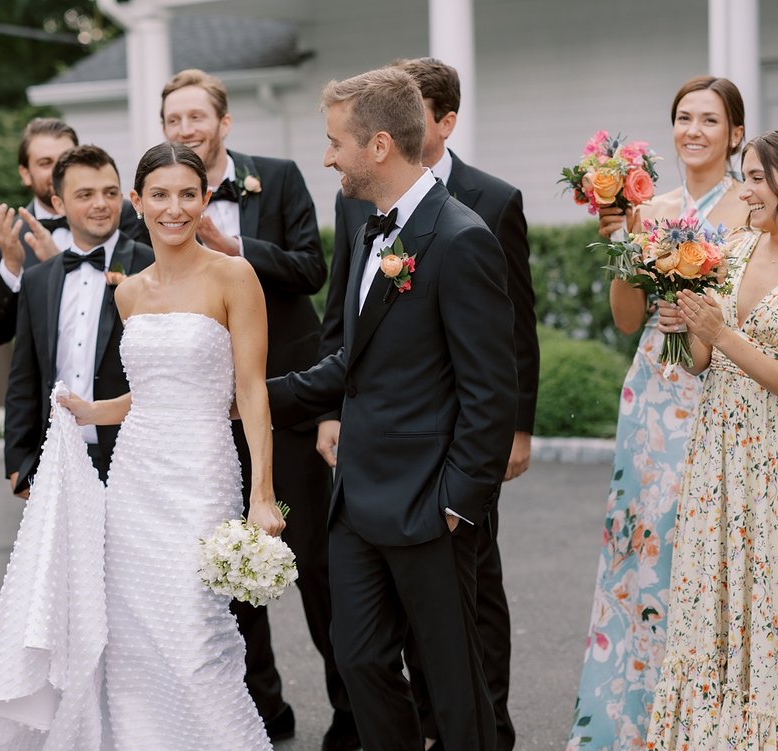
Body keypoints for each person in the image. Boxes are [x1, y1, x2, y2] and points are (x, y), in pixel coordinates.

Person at [0, 141, 287, 749]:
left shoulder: (234, 276)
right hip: (135, 476)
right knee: (133, 634)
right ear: (139, 202)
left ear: (204, 200)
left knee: (197, 631)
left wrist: (263, 493)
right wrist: (93, 411)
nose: (175, 209)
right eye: (161, 195)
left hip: (202, 472)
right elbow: (147, 392)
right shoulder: (130, 291)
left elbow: (250, 392)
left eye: (188, 194)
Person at [267, 66, 518, 750]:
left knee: (452, 679)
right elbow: (352, 362)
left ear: (379, 145)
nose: (327, 157)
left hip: (429, 505)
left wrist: (459, 501)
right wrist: (251, 401)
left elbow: (489, 390)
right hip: (357, 500)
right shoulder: (366, 222)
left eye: (335, 142)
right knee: (360, 660)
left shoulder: (461, 238)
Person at [119, 69, 356, 748]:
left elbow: (314, 269)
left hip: (286, 392)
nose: (186, 128)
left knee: (311, 562)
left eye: (198, 116)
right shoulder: (159, 220)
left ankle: (351, 708)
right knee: (221, 568)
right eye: (174, 119)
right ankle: (260, 705)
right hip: (201, 422)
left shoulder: (276, 177)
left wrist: (236, 250)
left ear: (223, 122)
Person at [567, 75, 749, 749]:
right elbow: (625, 320)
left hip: (721, 392)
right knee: (644, 548)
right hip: (652, 391)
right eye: (683, 117)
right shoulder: (650, 210)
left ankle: (705, 720)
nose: (693, 130)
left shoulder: (750, 208)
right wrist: (621, 244)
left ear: (734, 134)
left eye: (709, 119)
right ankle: (630, 718)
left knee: (705, 544)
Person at [645, 130, 778, 748]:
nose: (745, 191)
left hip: (770, 456)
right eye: (746, 176)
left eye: (756, 178)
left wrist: (721, 335)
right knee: (713, 594)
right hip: (717, 445)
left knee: (764, 597)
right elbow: (701, 359)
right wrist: (685, 327)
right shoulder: (738, 246)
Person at [2, 145, 154, 497]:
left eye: (110, 193)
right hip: (59, 454)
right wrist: (18, 464)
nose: (101, 203)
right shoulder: (38, 280)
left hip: (136, 451)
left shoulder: (151, 267)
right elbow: (24, 374)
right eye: (85, 194)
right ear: (58, 204)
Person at [0, 117, 78, 347]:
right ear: (25, 173)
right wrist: (11, 266)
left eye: (66, 160)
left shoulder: (116, 218)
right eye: (45, 163)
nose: (58, 170)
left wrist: (60, 265)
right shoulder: (7, 238)